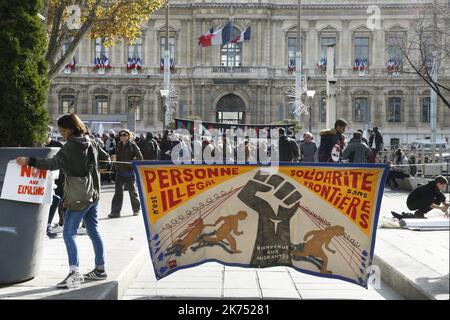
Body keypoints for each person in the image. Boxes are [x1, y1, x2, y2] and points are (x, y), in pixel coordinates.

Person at [16, 114, 111, 288]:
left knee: (69, 233)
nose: (62, 134)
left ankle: (74, 273)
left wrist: (30, 161)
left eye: (63, 130)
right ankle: (100, 269)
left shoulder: (71, 145)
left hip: (78, 196)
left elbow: (53, 163)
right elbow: (108, 160)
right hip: (93, 193)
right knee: (93, 231)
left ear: (72, 129)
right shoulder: (91, 141)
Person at [109, 129, 143, 218]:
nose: (122, 137)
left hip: (130, 172)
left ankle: (136, 210)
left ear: (128, 136)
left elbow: (140, 157)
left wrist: (132, 162)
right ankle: (115, 212)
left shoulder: (132, 145)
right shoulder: (118, 145)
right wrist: (114, 158)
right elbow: (116, 157)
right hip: (120, 172)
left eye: (124, 135)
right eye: (121, 135)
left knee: (132, 192)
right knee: (118, 193)